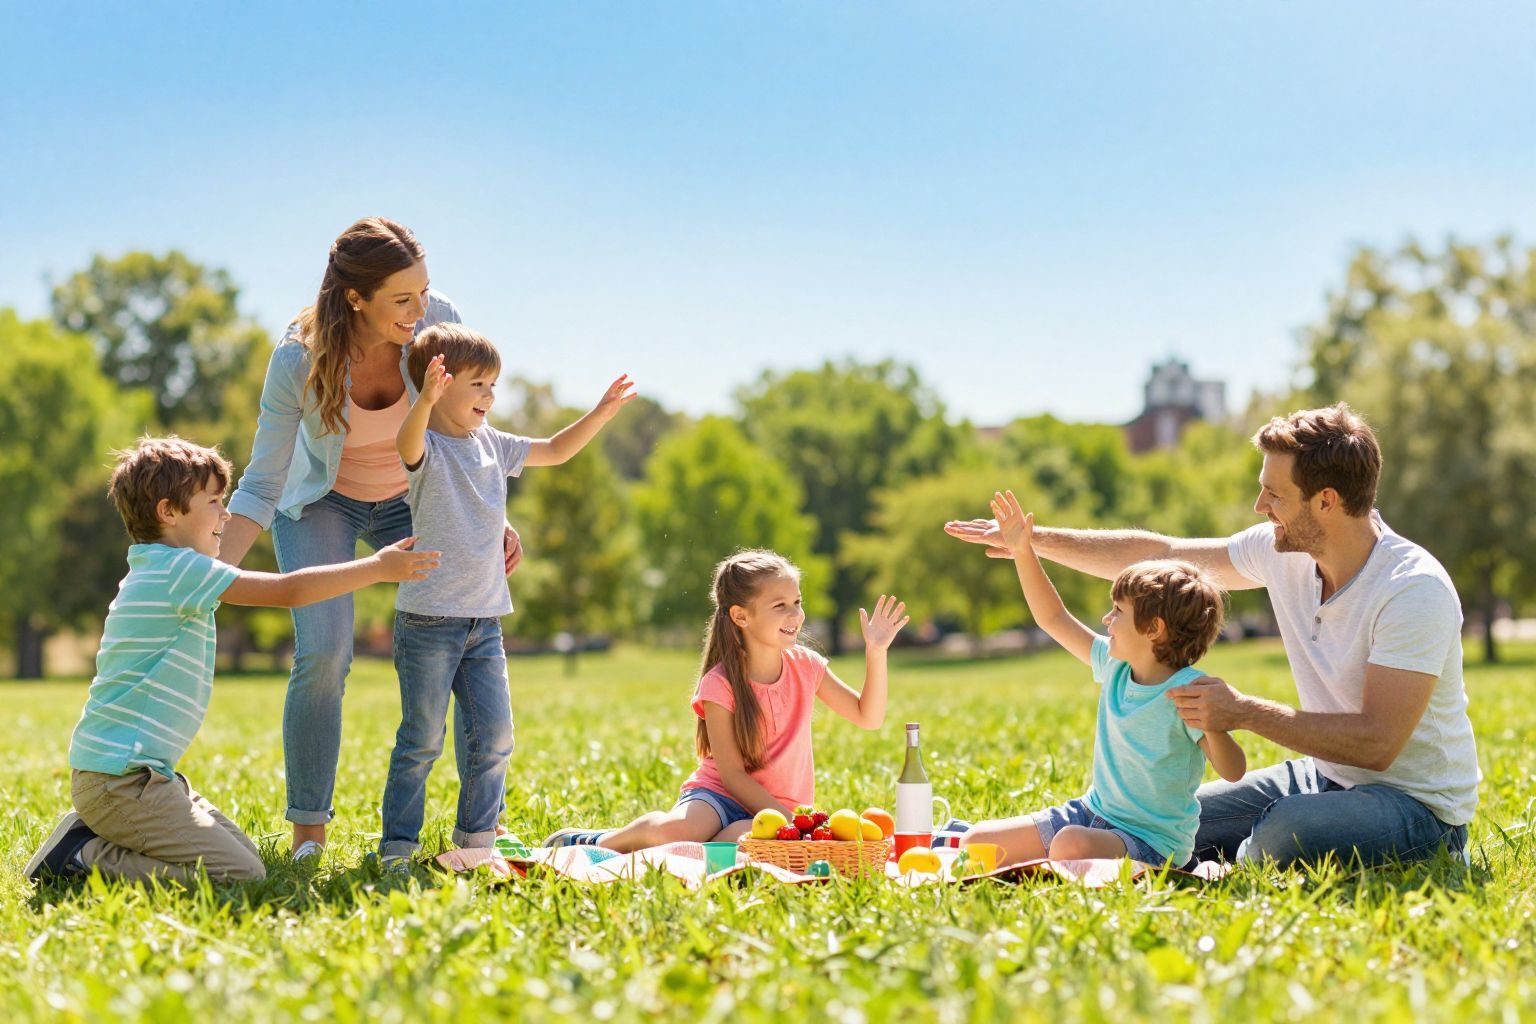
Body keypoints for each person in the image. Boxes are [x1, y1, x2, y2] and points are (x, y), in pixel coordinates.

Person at [947, 404, 1479, 867]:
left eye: (1273, 493)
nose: (1259, 507)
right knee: (1176, 823)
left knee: (1278, 834)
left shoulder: (1411, 589)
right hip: (1322, 777)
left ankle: (1227, 870)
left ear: (1326, 501)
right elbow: (1161, 556)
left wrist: (1244, 712)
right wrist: (1031, 540)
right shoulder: (1284, 552)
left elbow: (1377, 743)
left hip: (1415, 807)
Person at [215, 217, 520, 860]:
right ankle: (309, 835)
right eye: (401, 299)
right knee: (325, 654)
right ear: (355, 297)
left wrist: (489, 511)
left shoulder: (438, 323)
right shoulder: (298, 358)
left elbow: (466, 421)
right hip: (323, 500)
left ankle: (478, 831)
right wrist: (207, 579)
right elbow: (264, 480)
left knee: (468, 632)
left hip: (416, 497)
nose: (421, 309)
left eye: (424, 292)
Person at [24, 437, 438, 884]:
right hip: (121, 785)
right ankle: (83, 856)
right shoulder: (179, 570)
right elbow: (287, 591)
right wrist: (376, 567)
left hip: (140, 779)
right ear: (168, 512)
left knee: (242, 853)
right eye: (215, 502)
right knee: (240, 874)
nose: (225, 515)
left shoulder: (160, 568)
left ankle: (88, 831)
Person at [377, 325, 635, 867]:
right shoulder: (427, 446)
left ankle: (476, 845)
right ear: (440, 386)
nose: (490, 397)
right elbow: (406, 442)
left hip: (484, 624)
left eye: (494, 385)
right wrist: (421, 401)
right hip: (428, 621)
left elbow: (557, 450)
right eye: (478, 384)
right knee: (421, 742)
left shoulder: (494, 443)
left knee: (493, 739)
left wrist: (600, 413)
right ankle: (398, 848)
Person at [541, 549, 910, 851]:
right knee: (678, 832)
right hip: (718, 797)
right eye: (779, 605)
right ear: (740, 615)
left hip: (779, 807)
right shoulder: (720, 684)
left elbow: (868, 717)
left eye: (797, 601)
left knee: (747, 843)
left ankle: (703, 849)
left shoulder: (807, 666)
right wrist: (788, 822)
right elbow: (731, 776)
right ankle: (596, 841)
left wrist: (876, 652)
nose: (795, 614)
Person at [959, 491, 1245, 868]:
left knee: (1071, 847)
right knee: (976, 845)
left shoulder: (1189, 691)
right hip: (1089, 814)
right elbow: (1053, 619)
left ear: (1154, 629)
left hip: (1151, 844)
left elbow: (1234, 770)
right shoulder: (1115, 668)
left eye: (1117, 612)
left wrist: (1216, 726)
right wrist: (1023, 550)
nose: (1107, 621)